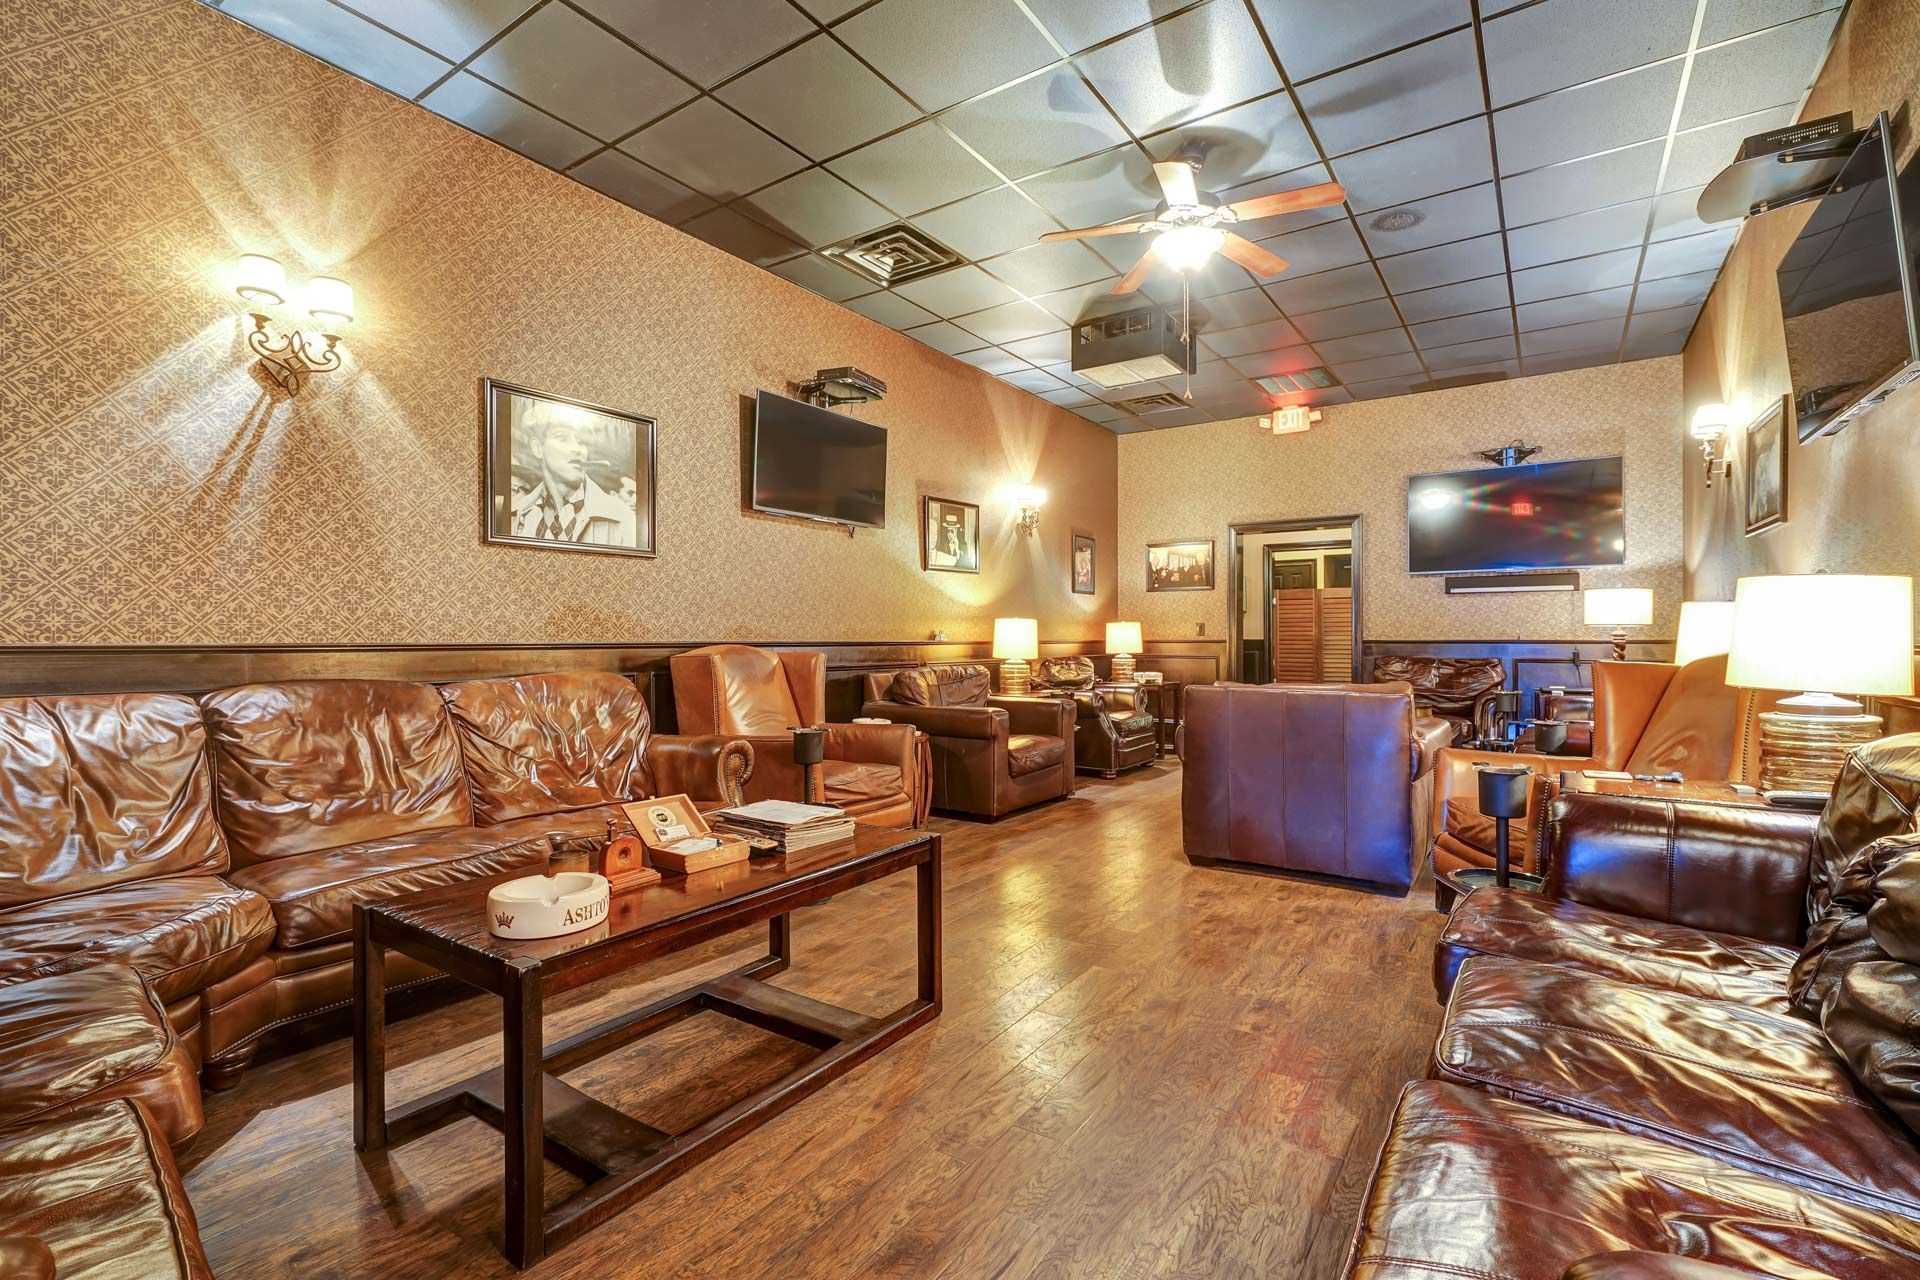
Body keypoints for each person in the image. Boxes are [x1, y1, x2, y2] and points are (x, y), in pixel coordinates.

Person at [509, 404, 636, 547]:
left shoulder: (621, 516)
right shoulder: (515, 514)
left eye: (581, 441)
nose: (577, 449)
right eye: (562, 438)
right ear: (537, 448)